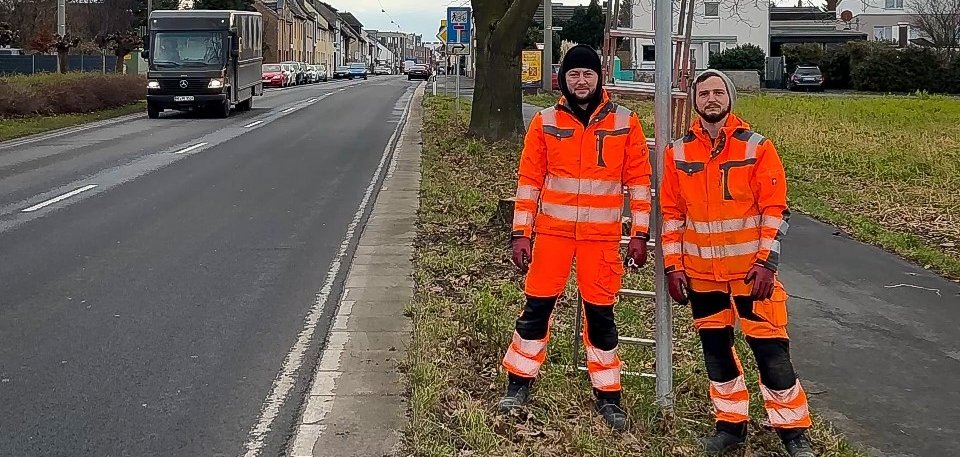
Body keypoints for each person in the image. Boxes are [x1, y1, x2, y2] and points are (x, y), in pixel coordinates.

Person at [659, 69, 817, 457]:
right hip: (702, 276)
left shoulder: (757, 148)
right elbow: (672, 215)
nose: (711, 99)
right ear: (694, 102)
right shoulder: (677, 153)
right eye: (703, 94)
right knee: (716, 353)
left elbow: (774, 210)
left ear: (729, 98)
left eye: (717, 92)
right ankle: (731, 427)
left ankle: (794, 433)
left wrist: (767, 263)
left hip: (751, 274)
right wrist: (673, 266)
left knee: (772, 354)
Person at [498, 44, 652, 432]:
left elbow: (639, 182)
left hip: (601, 241)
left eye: (587, 74)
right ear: (562, 79)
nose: (580, 81)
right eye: (573, 74)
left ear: (599, 77)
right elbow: (529, 181)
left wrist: (640, 233)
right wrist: (521, 233)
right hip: (551, 236)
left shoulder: (625, 122)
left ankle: (608, 395)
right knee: (536, 310)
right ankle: (518, 383)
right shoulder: (545, 122)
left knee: (601, 317)